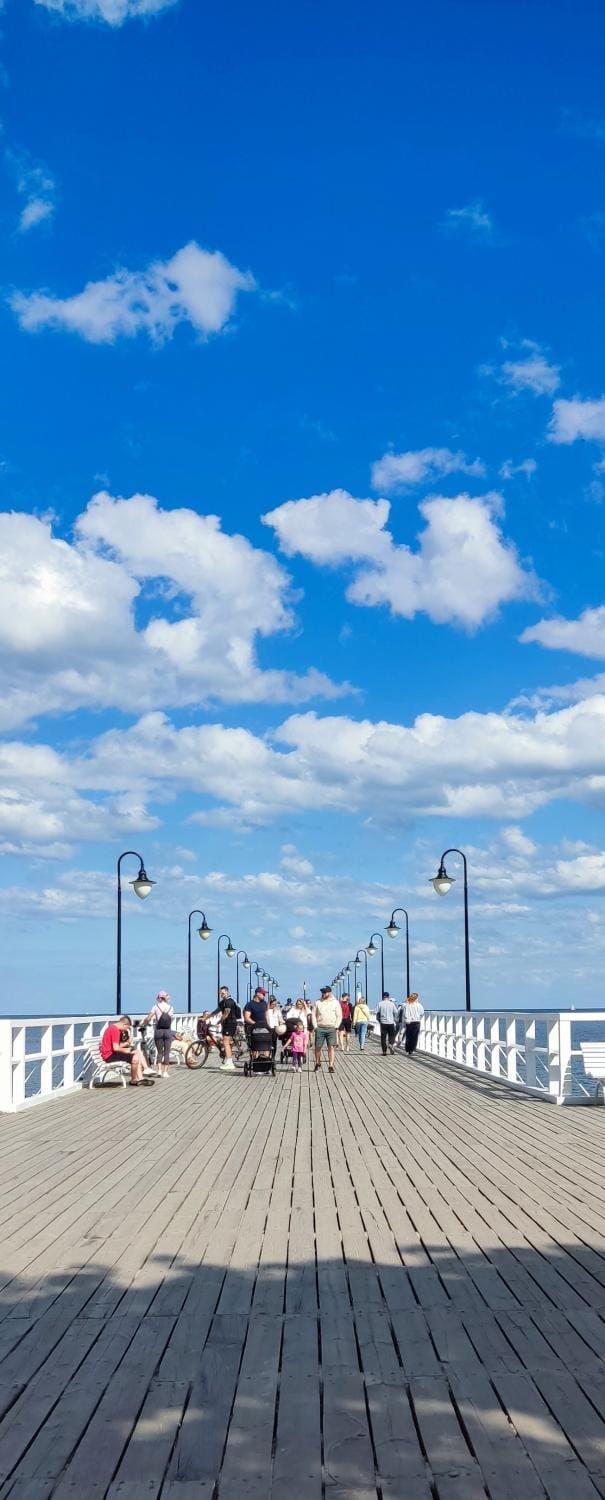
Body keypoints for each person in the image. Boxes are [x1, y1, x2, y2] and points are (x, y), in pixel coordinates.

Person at [99, 1015, 154, 1086]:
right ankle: (134, 1080)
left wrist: (127, 1049)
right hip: (109, 1056)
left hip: (112, 1054)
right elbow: (116, 1048)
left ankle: (140, 1078)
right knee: (135, 1058)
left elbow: (115, 1047)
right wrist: (126, 1050)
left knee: (137, 1052)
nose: (125, 1030)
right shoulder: (115, 1030)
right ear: (124, 1024)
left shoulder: (112, 1028)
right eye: (126, 1028)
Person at [141, 991, 175, 1078]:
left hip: (158, 1031)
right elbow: (170, 1020)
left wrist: (144, 1023)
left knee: (160, 1052)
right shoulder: (171, 1007)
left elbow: (149, 1018)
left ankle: (159, 1071)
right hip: (167, 1031)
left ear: (159, 998)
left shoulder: (155, 1007)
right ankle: (165, 1072)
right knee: (167, 1052)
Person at [312, 986, 342, 1074]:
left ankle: (331, 1065)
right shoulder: (318, 1002)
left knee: (331, 1047)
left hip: (331, 1027)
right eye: (322, 992)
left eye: (325, 992)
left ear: (329, 993)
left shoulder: (335, 1002)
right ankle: (317, 1063)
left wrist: (336, 1026)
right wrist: (315, 1026)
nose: (323, 994)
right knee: (318, 1047)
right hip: (320, 1027)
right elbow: (313, 1014)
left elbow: (339, 1015)